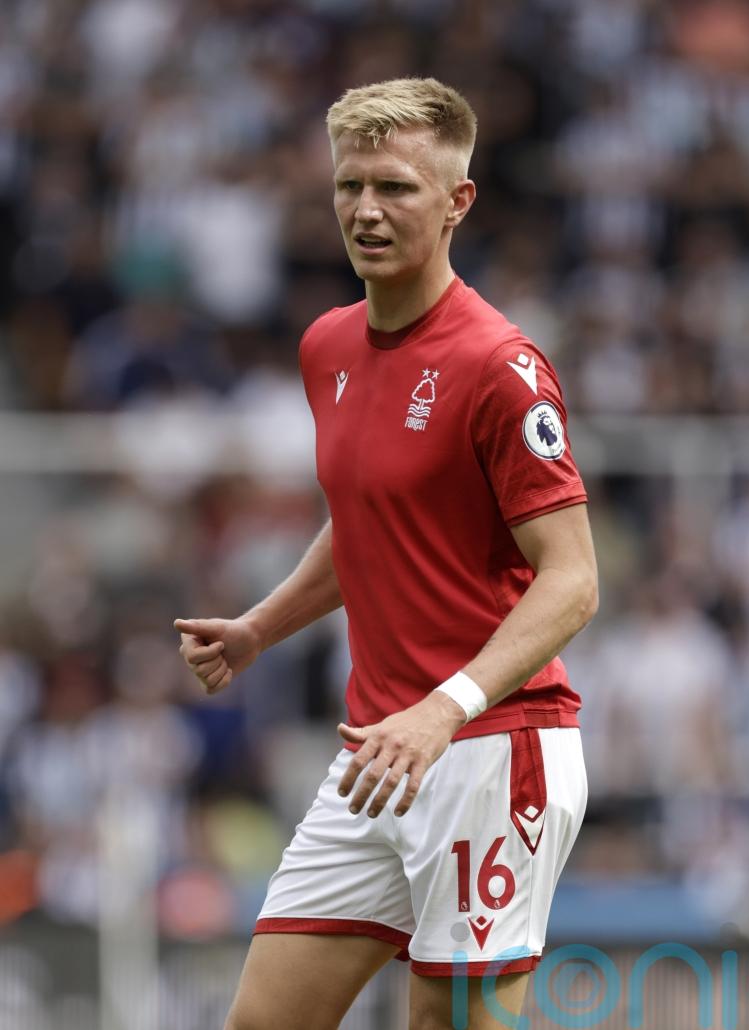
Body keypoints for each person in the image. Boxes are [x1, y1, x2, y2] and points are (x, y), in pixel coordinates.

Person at [175, 77, 598, 1030]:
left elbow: (574, 580)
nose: (367, 210)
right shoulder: (326, 345)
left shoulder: (501, 366)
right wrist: (258, 628)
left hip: (492, 750)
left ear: (458, 202)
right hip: (379, 755)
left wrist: (442, 711)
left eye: (397, 188)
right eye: (349, 185)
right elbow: (371, 519)